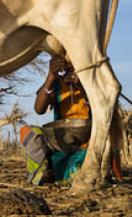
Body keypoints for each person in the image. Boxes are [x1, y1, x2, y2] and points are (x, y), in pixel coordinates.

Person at [21, 55, 122, 185]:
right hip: (60, 140)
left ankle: (112, 174)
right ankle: (44, 172)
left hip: (88, 139)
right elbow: (39, 109)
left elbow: (103, 109)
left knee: (107, 134)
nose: (69, 67)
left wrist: (81, 87)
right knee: (28, 132)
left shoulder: (95, 81)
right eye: (66, 63)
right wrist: (51, 77)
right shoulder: (57, 83)